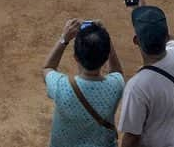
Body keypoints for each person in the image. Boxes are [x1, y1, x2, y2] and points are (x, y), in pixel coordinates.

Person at [117, 3, 174, 147]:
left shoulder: (137, 87)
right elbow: (171, 40)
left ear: (136, 41)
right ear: (166, 36)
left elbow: (131, 138)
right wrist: (149, 17)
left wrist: (143, 17)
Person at [43, 18, 125, 147]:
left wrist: (64, 39)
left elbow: (48, 68)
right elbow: (116, 71)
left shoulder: (61, 86)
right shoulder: (116, 85)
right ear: (105, 57)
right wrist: (105, 38)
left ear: (76, 57)